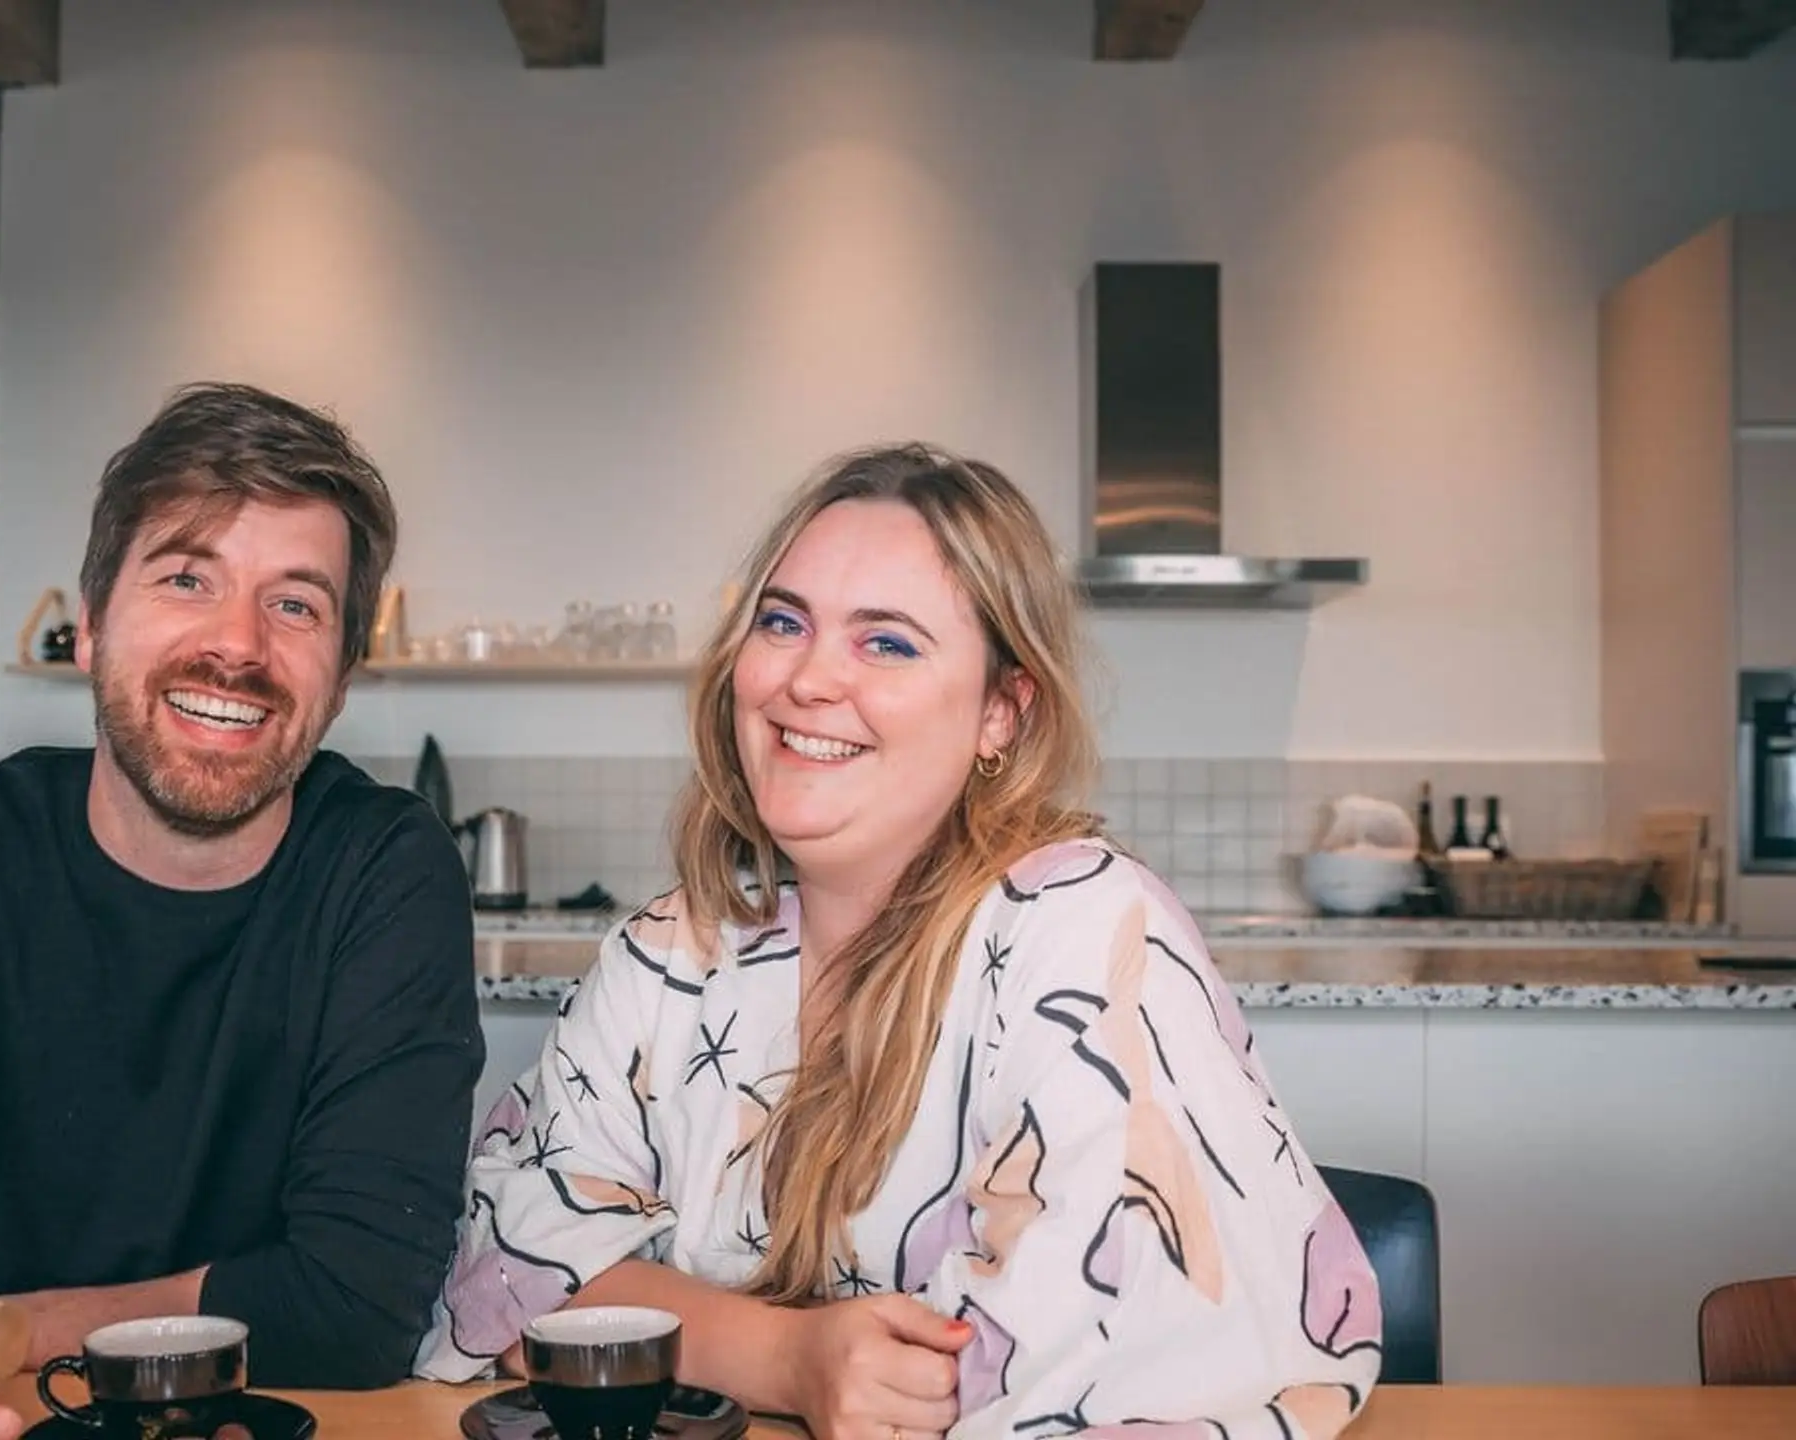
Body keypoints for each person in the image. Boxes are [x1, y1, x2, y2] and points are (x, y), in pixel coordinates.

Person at [415, 445, 1382, 1440]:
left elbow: (1085, 1368)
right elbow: (510, 1276)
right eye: (782, 623)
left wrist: (673, 1316)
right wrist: (790, 1359)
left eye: (887, 643)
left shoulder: (1083, 933)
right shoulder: (669, 955)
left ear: (1001, 711)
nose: (807, 679)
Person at [0, 382, 485, 1440]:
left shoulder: (383, 867)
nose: (238, 646)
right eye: (187, 578)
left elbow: (354, 1310)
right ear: (92, 629)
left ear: (338, 680)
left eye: (296, 604)